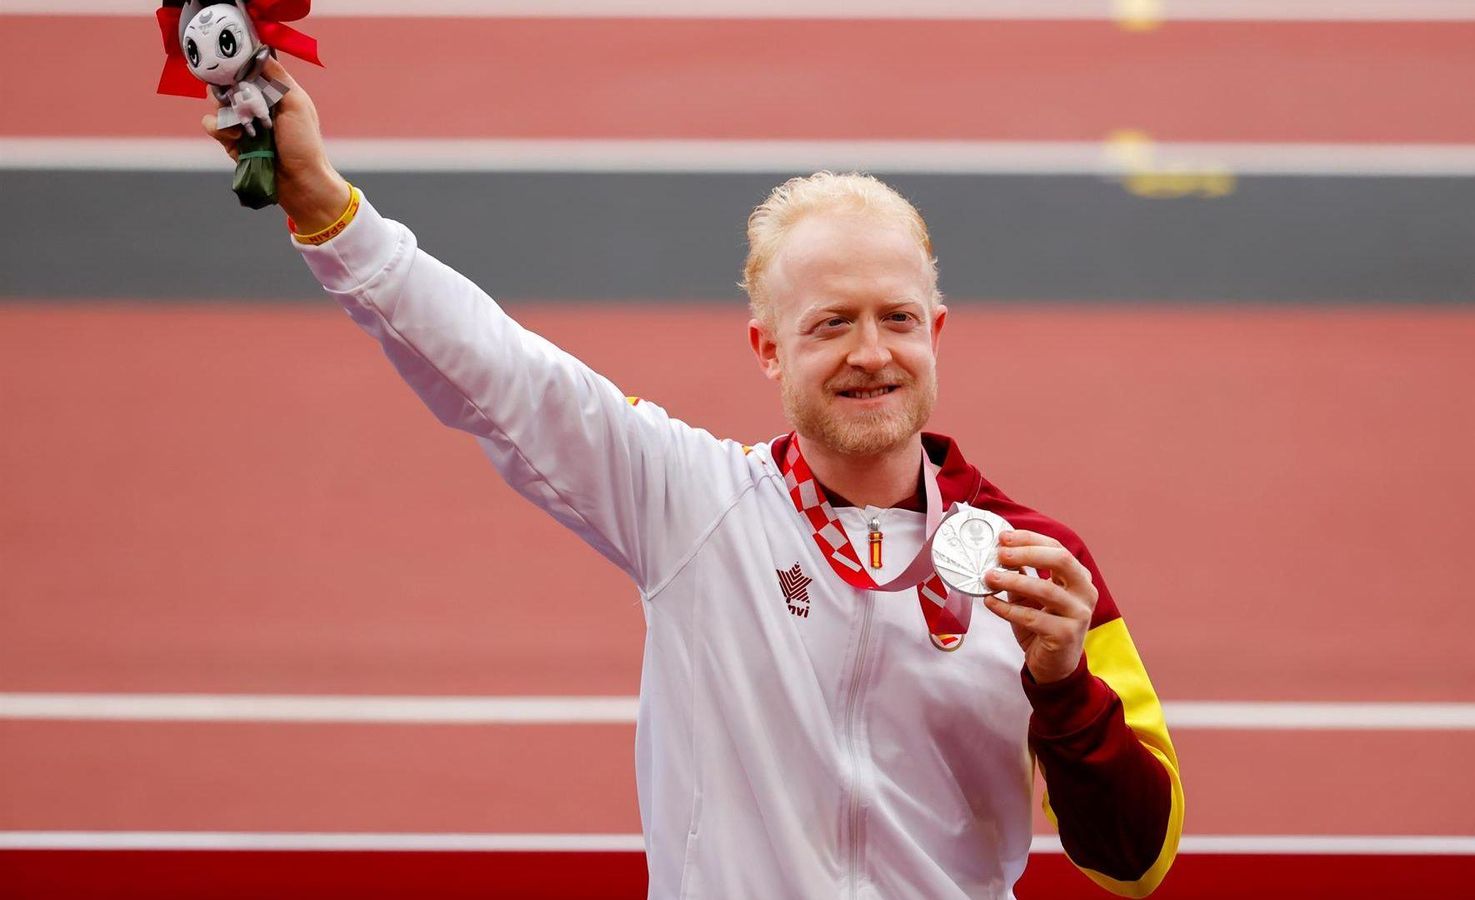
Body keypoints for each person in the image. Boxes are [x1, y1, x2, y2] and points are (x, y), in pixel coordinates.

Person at [206, 58, 1184, 899]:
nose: (869, 352)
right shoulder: (693, 504)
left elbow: (1136, 865)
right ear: (768, 350)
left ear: (935, 332)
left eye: (895, 318)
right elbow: (501, 371)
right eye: (829, 324)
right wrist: (323, 203)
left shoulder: (1037, 567)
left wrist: (1063, 687)